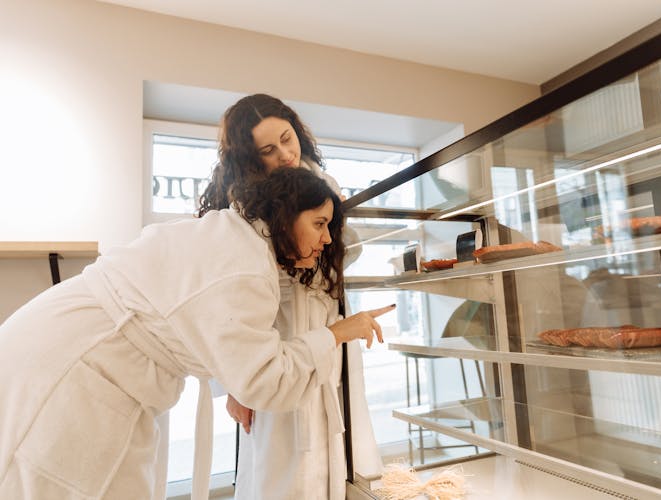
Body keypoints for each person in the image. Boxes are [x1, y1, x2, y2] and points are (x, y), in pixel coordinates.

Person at [0, 167, 393, 500]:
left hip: (71, 349)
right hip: (75, 367)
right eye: (319, 224)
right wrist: (335, 333)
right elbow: (265, 381)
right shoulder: (245, 264)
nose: (326, 240)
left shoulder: (233, 235)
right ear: (285, 213)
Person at [199, 94, 381, 499]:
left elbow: (343, 255)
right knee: (277, 470)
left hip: (327, 343)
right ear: (249, 158)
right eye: (268, 149)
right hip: (274, 347)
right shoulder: (240, 208)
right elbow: (223, 305)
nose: (285, 154)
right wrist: (234, 384)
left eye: (287, 138)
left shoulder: (324, 186)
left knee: (336, 459)